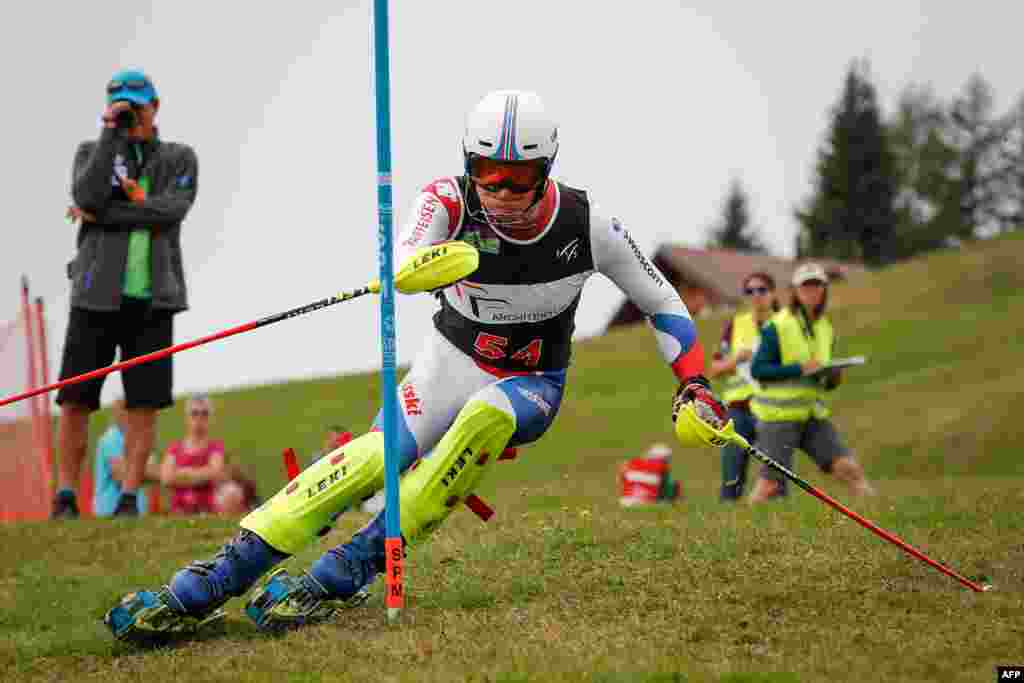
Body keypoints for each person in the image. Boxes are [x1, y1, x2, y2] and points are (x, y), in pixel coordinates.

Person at [103, 89, 728, 642]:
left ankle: (344, 572)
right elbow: (405, 258)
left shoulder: (590, 225)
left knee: (483, 420)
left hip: (531, 381)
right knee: (374, 457)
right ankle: (212, 579)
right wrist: (419, 266)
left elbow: (663, 302)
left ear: (546, 170)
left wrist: (694, 383)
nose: (503, 192)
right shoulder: (447, 200)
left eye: (519, 177)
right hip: (449, 361)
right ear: (468, 165)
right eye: (488, 173)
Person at [52, 69, 198, 519]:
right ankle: (66, 497)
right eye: (122, 106)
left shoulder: (179, 157)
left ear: (155, 106)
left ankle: (132, 497)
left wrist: (107, 213)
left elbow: (174, 210)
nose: (131, 113)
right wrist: (109, 135)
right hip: (94, 295)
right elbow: (88, 196)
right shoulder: (91, 152)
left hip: (155, 299)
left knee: (144, 403)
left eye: (137, 105)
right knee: (75, 399)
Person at [746, 263, 875, 503]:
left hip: (811, 414)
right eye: (806, 286)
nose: (812, 291)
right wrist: (800, 369)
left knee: (848, 469)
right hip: (777, 417)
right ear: (794, 291)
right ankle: (740, 527)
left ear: (824, 290)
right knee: (770, 484)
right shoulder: (778, 326)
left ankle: (880, 513)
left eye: (816, 286)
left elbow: (821, 379)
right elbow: (758, 370)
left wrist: (832, 377)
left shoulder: (825, 328)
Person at [706, 272, 778, 501]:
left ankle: (781, 521)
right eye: (750, 291)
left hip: (774, 406)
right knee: (732, 477)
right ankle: (728, 519)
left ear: (773, 293)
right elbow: (714, 369)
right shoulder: (736, 325)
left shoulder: (785, 324)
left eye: (762, 290)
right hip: (738, 409)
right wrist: (735, 360)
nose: (756, 295)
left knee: (776, 476)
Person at [161, 395, 238, 516]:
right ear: (187, 417)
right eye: (194, 413)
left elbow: (215, 473)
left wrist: (182, 474)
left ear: (210, 418)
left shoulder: (216, 447)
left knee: (233, 491)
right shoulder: (174, 448)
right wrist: (202, 474)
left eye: (204, 413)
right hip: (179, 511)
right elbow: (166, 478)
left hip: (208, 510)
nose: (199, 418)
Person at [93, 399, 162, 517]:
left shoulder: (140, 439)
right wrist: (161, 473)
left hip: (135, 512)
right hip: (110, 511)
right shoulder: (111, 438)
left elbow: (153, 470)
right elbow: (120, 474)